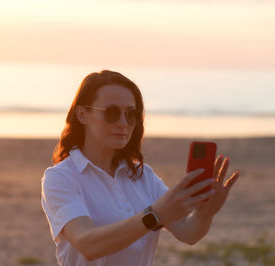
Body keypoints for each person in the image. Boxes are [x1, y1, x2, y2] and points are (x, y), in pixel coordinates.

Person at [41, 70, 240, 266]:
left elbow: (188, 233)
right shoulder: (61, 177)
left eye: (132, 114)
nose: (123, 123)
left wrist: (206, 212)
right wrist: (153, 216)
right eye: (111, 113)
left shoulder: (143, 175)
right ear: (82, 114)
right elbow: (88, 244)